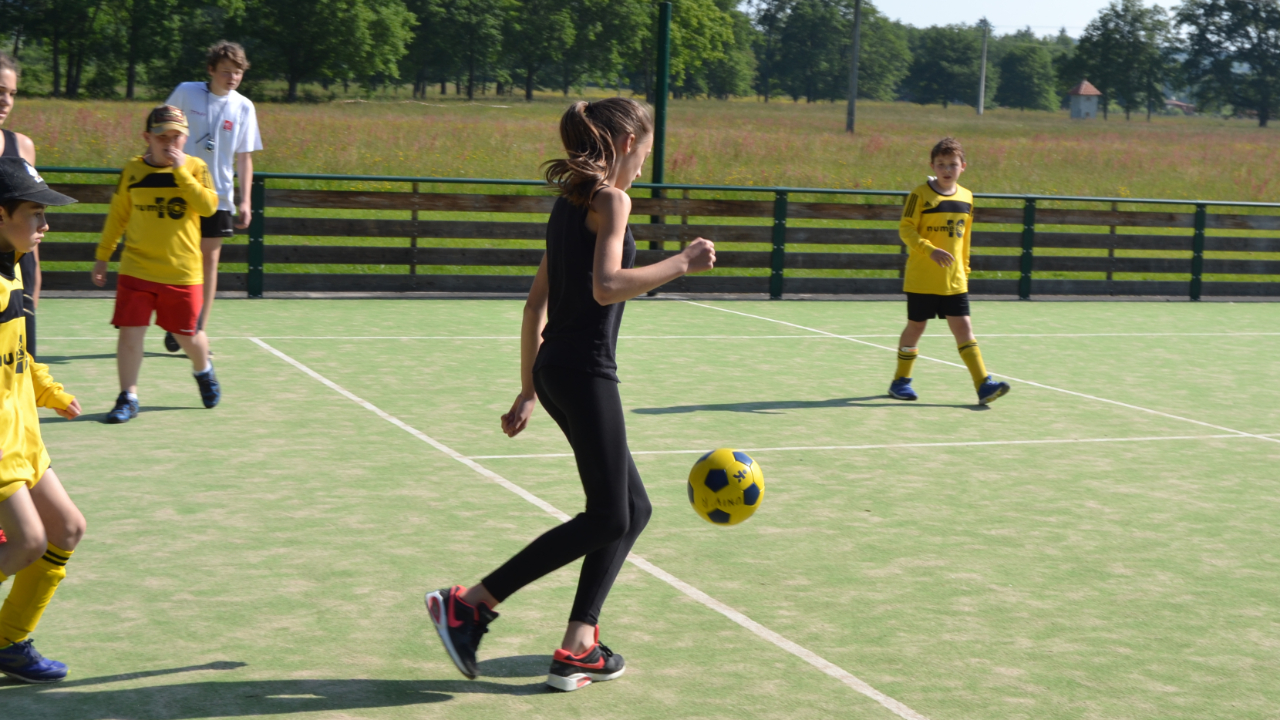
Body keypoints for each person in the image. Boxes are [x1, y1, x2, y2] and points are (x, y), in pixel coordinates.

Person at [425, 98, 716, 692]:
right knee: (610, 513)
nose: (644, 162)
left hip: (559, 369)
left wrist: (530, 387)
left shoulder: (569, 206)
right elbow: (607, 287)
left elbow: (537, 303)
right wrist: (682, 261)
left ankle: (579, 646)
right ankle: (469, 603)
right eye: (643, 149)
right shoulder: (610, 200)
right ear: (622, 142)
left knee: (632, 511)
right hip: (584, 370)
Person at [0, 157, 85, 683]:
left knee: (67, 529)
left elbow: (19, 356)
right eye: (35, 213)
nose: (45, 225)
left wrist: (49, 391)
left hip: (22, 435)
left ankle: (8, 642)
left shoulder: (12, 266)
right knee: (28, 542)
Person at [92, 106, 221, 423]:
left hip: (182, 273)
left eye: (176, 136)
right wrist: (103, 256)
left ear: (185, 137)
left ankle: (203, 370)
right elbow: (118, 216)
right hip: (136, 270)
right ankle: (128, 397)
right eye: (162, 136)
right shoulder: (133, 171)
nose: (169, 143)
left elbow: (208, 207)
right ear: (147, 137)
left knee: (187, 336)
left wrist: (181, 173)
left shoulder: (196, 167)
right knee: (130, 335)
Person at [888, 137, 1010, 405]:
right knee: (916, 327)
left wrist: (964, 270)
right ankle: (900, 381)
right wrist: (929, 249)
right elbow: (905, 229)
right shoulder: (919, 195)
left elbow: (965, 239)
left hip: (953, 281)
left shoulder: (967, 197)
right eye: (941, 164)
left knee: (964, 328)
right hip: (922, 278)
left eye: (952, 164)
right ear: (932, 165)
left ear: (963, 166)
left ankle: (983, 385)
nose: (946, 169)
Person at [161, 40, 261, 354]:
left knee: (209, 265)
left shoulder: (244, 106)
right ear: (210, 70)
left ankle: (196, 329)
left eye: (238, 73)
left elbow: (244, 157)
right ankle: (173, 322)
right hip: (180, 192)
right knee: (177, 261)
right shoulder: (186, 92)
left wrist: (245, 201)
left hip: (218, 197)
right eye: (226, 72)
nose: (232, 78)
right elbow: (162, 130)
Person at [0, 53, 41, 360]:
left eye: (11, 93)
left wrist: (34, 275)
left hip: (17, 272)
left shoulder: (23, 147)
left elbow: (31, 212)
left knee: (21, 370)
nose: (6, 101)